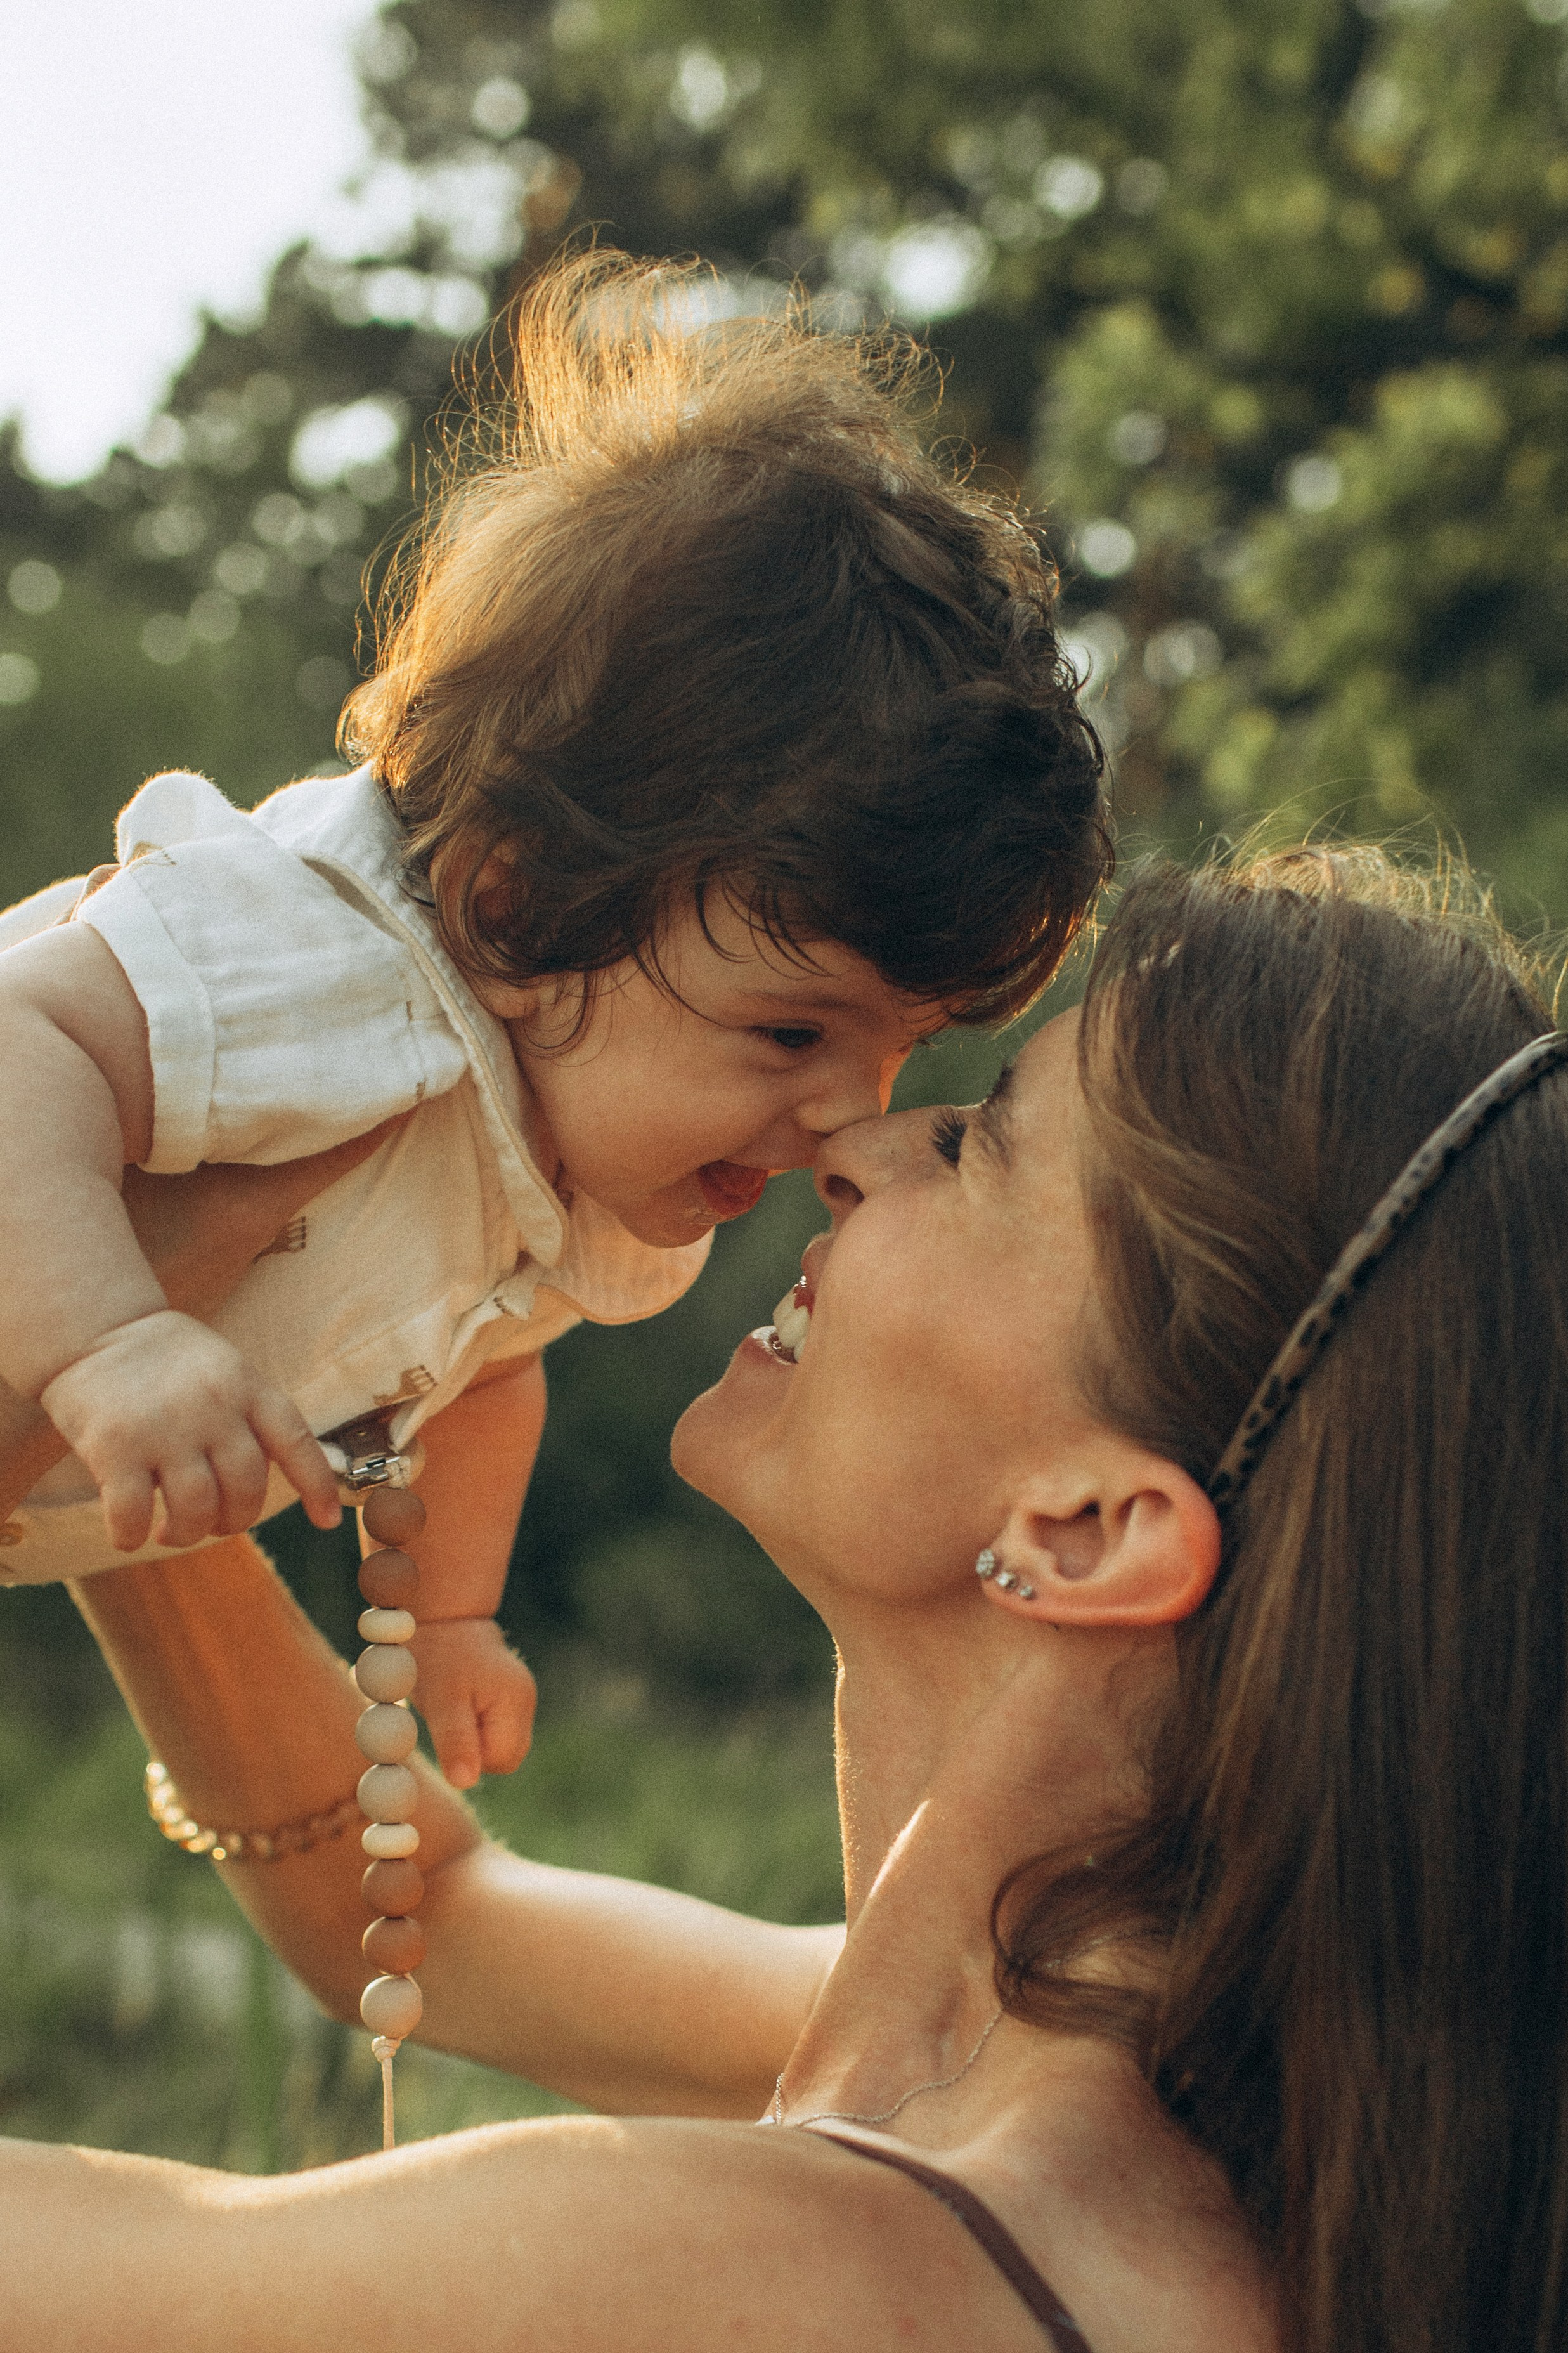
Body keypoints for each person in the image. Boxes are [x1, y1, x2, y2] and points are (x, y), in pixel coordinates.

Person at [5, 834, 1562, 2353]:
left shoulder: (745, 2280)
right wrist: (122, 1352)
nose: (852, 1149)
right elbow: (421, 1921)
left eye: (975, 1143)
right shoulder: (1155, 2085)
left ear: (1091, 1527)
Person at [0, 249, 1110, 1787]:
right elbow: (17, 1042)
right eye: (789, 1034)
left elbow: (490, 1369)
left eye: (899, 1048)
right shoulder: (328, 961)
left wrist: (447, 1618)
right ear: (515, 909)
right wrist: (109, 1342)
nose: (847, 1113)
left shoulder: (580, 1178)